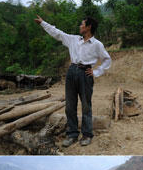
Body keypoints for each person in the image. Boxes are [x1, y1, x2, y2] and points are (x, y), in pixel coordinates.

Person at [34, 15, 111, 147]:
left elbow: (107, 59)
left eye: (82, 24)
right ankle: (72, 134)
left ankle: (87, 135)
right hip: (71, 72)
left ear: (89, 27)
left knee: (86, 106)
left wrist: (96, 71)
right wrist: (43, 23)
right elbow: (57, 33)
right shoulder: (74, 40)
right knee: (70, 106)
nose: (80, 26)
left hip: (85, 74)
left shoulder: (97, 44)